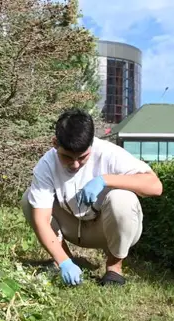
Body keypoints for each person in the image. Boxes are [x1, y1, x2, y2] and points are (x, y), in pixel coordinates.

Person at [21, 109, 162, 286]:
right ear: (55, 143)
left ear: (92, 145)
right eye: (67, 157)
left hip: (106, 229)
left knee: (122, 198)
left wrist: (105, 180)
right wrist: (64, 262)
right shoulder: (47, 164)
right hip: (72, 226)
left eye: (82, 157)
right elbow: (41, 220)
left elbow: (155, 186)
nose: (75, 165)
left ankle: (114, 268)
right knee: (29, 200)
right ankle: (64, 260)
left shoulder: (109, 153)